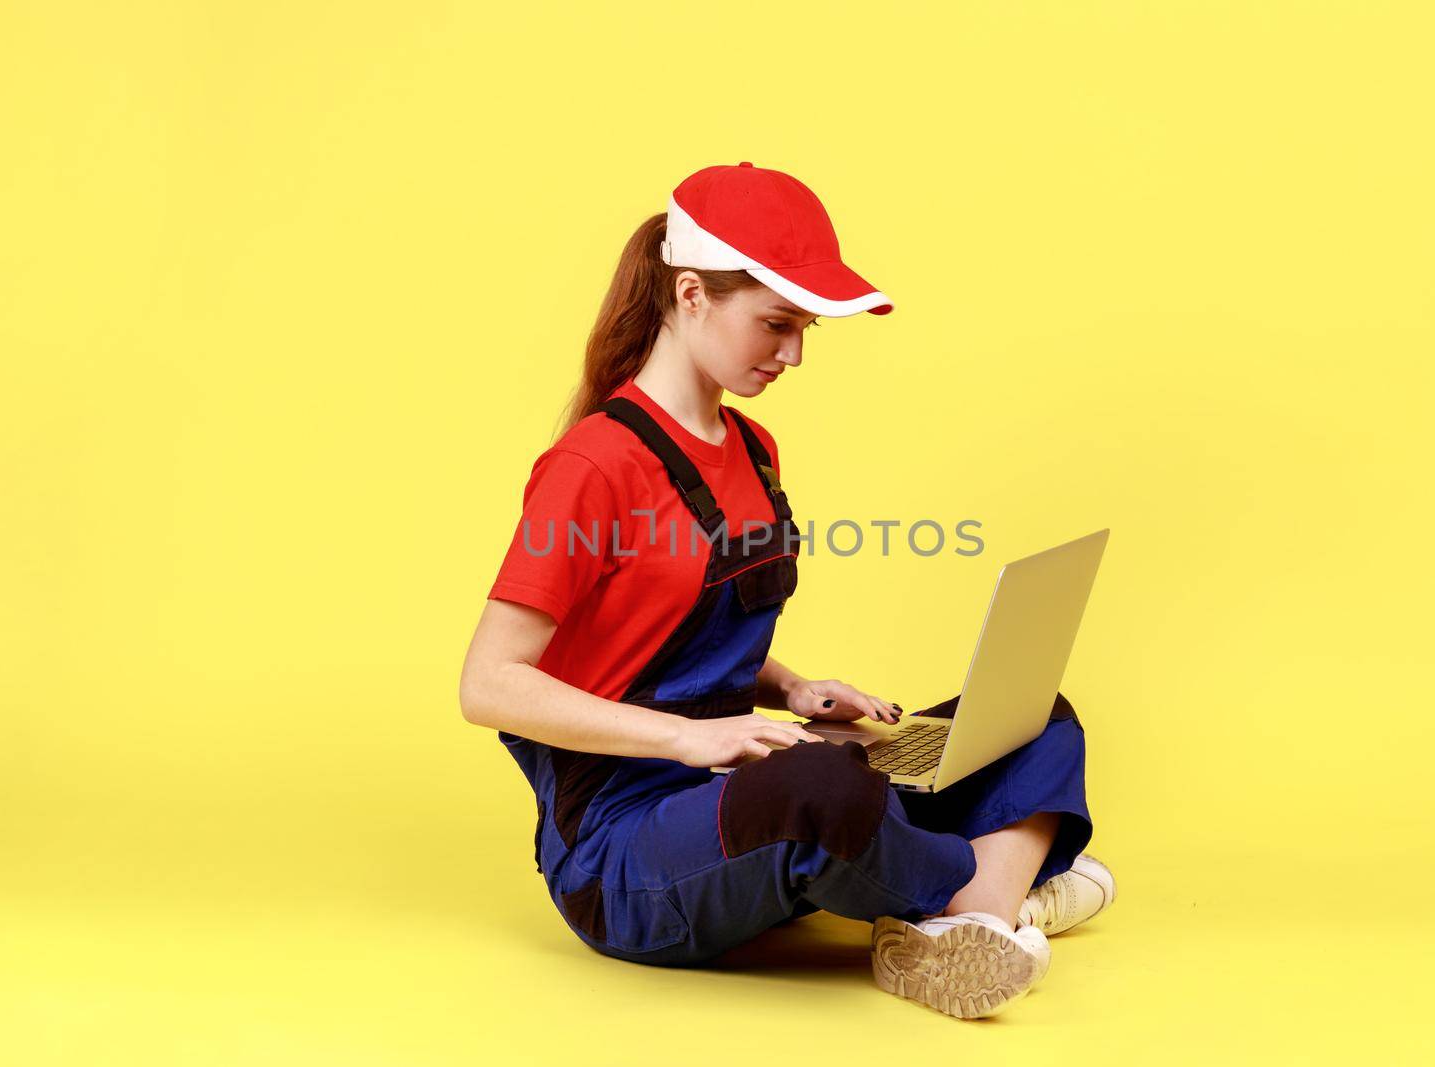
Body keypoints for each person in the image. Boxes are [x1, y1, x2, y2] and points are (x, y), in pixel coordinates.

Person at [458, 162, 1116, 1019]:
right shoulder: (592, 465)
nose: (794, 353)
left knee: (1031, 714)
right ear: (690, 293)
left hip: (744, 776)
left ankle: (977, 906)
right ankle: (998, 895)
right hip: (629, 850)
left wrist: (794, 688)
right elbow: (488, 684)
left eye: (803, 328)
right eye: (776, 324)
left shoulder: (754, 446)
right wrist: (691, 742)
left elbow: (676, 624)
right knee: (820, 788)